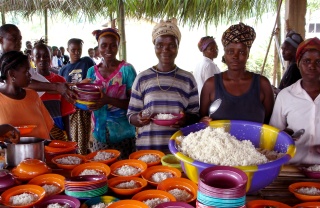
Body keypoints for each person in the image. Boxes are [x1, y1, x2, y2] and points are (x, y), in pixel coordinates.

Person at [127, 18, 199, 153]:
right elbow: (131, 115)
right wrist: (139, 118)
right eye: (160, 45)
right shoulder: (142, 78)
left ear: (178, 47)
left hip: (178, 150)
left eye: (172, 45)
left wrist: (185, 119)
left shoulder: (188, 79)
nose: (165, 50)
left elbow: (195, 115)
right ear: (154, 46)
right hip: (148, 150)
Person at [200, 22, 274, 124]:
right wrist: (202, 121)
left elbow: (268, 122)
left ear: (248, 54)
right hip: (220, 140)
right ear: (224, 54)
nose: (235, 56)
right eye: (230, 51)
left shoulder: (263, 84)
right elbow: (201, 120)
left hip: (256, 140)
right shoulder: (211, 85)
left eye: (241, 52)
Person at [85, 28, 137, 159]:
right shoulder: (91, 72)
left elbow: (135, 105)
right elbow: (88, 100)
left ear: (118, 46)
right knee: (102, 172)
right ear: (98, 47)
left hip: (124, 134)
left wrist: (108, 100)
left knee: (125, 173)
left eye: (113, 45)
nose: (108, 49)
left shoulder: (127, 70)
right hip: (99, 134)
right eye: (104, 45)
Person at [270, 37, 320, 165]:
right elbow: (272, 138)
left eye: (318, 62)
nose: (312, 66)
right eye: (306, 61)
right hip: (292, 168)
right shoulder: (285, 96)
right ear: (298, 63)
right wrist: (283, 137)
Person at [0, 24, 75, 103]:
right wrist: (56, 87)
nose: (18, 43)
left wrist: (66, 88)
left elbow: (42, 84)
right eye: (14, 39)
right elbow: (24, 83)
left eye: (20, 39)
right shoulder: (3, 62)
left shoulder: (19, 61)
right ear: (1, 40)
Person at [0, 51, 53, 139]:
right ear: (12, 74)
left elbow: (46, 130)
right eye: (26, 71)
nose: (30, 76)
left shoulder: (32, 95)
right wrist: (5, 128)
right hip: (12, 152)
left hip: (41, 151)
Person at [33, 39, 76, 141]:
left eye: (46, 56)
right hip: (37, 134)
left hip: (58, 132)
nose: (42, 59)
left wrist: (69, 137)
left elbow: (65, 112)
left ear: (51, 58)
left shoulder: (60, 81)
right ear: (32, 58)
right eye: (38, 56)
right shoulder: (29, 82)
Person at [59, 38, 95, 154]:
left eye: (79, 50)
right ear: (68, 50)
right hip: (71, 108)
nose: (76, 53)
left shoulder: (87, 62)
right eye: (73, 50)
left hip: (84, 107)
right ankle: (77, 158)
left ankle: (83, 157)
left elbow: (93, 79)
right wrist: (80, 84)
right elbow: (63, 88)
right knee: (72, 138)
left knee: (84, 138)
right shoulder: (63, 70)